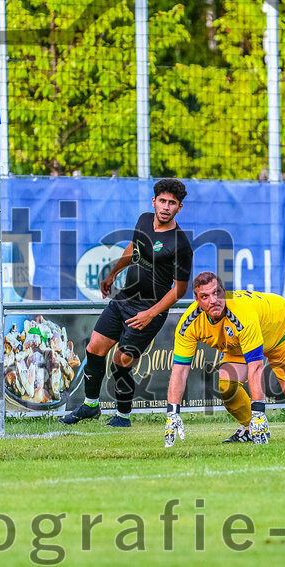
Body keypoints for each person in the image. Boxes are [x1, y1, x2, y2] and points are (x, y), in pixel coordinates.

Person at [59, 178, 193, 428]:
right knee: (94, 349)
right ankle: (90, 405)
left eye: (172, 203)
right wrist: (113, 273)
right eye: (162, 201)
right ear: (154, 202)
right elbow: (134, 247)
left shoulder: (181, 244)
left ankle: (123, 416)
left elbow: (180, 290)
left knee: (121, 361)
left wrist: (150, 314)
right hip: (123, 299)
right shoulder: (143, 219)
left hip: (147, 311)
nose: (165, 207)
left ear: (179, 208)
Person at [163, 272, 285, 447]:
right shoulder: (189, 324)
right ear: (197, 300)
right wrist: (172, 413)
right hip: (240, 343)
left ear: (223, 291)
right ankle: (250, 428)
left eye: (216, 293)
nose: (213, 300)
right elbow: (180, 370)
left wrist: (259, 412)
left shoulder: (241, 313)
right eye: (205, 296)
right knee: (226, 385)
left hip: (279, 329)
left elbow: (256, 367)